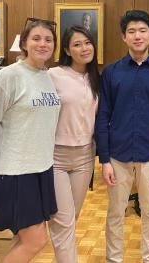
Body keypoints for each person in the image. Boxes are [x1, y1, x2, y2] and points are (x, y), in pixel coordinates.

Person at [0, 17, 61, 263]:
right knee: (37, 240)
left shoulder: (46, 77)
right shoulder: (6, 78)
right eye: (36, 38)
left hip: (41, 170)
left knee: (22, 240)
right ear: (23, 43)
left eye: (48, 39)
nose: (43, 44)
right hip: (15, 174)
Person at [95, 10, 149, 263]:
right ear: (123, 37)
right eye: (131, 31)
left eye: (142, 31)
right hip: (117, 156)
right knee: (116, 212)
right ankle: (113, 259)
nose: (137, 36)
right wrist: (104, 159)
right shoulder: (111, 73)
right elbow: (103, 116)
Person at [47, 25, 99, 263]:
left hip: (85, 157)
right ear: (67, 49)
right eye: (77, 44)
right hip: (56, 157)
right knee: (63, 220)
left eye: (87, 42)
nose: (84, 48)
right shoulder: (53, 75)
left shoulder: (97, 77)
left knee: (71, 218)